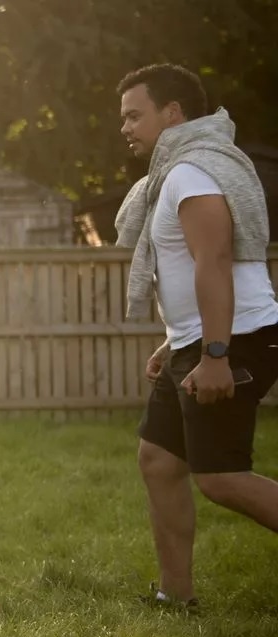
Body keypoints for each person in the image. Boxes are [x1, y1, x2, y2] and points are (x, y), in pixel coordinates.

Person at [114, 63, 278, 608]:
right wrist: (178, 340)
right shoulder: (173, 174)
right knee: (158, 459)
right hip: (200, 342)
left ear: (173, 112)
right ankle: (175, 595)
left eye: (135, 115)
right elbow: (187, 272)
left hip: (236, 341)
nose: (126, 127)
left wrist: (214, 354)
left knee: (222, 477)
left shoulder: (193, 172)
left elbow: (215, 260)